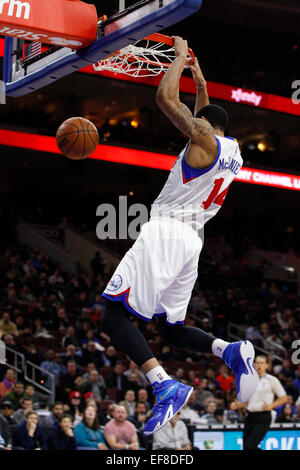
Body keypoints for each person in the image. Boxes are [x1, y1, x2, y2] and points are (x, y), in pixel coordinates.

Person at [100, 36, 258, 435]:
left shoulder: (202, 138)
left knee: (114, 316)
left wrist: (178, 58)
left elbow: (167, 102)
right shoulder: (232, 150)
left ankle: (165, 386)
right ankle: (230, 350)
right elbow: (206, 116)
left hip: (166, 234)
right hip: (192, 242)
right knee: (171, 328)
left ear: (206, 125)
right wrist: (200, 81)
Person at [231, 355, 287, 450]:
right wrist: (237, 405)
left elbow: (284, 397)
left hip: (263, 416)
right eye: (257, 363)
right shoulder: (249, 380)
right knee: (246, 447)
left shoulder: (272, 380)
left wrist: (271, 405)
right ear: (253, 364)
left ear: (266, 365)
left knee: (250, 446)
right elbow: (248, 402)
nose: (259, 365)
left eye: (262, 363)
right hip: (250, 416)